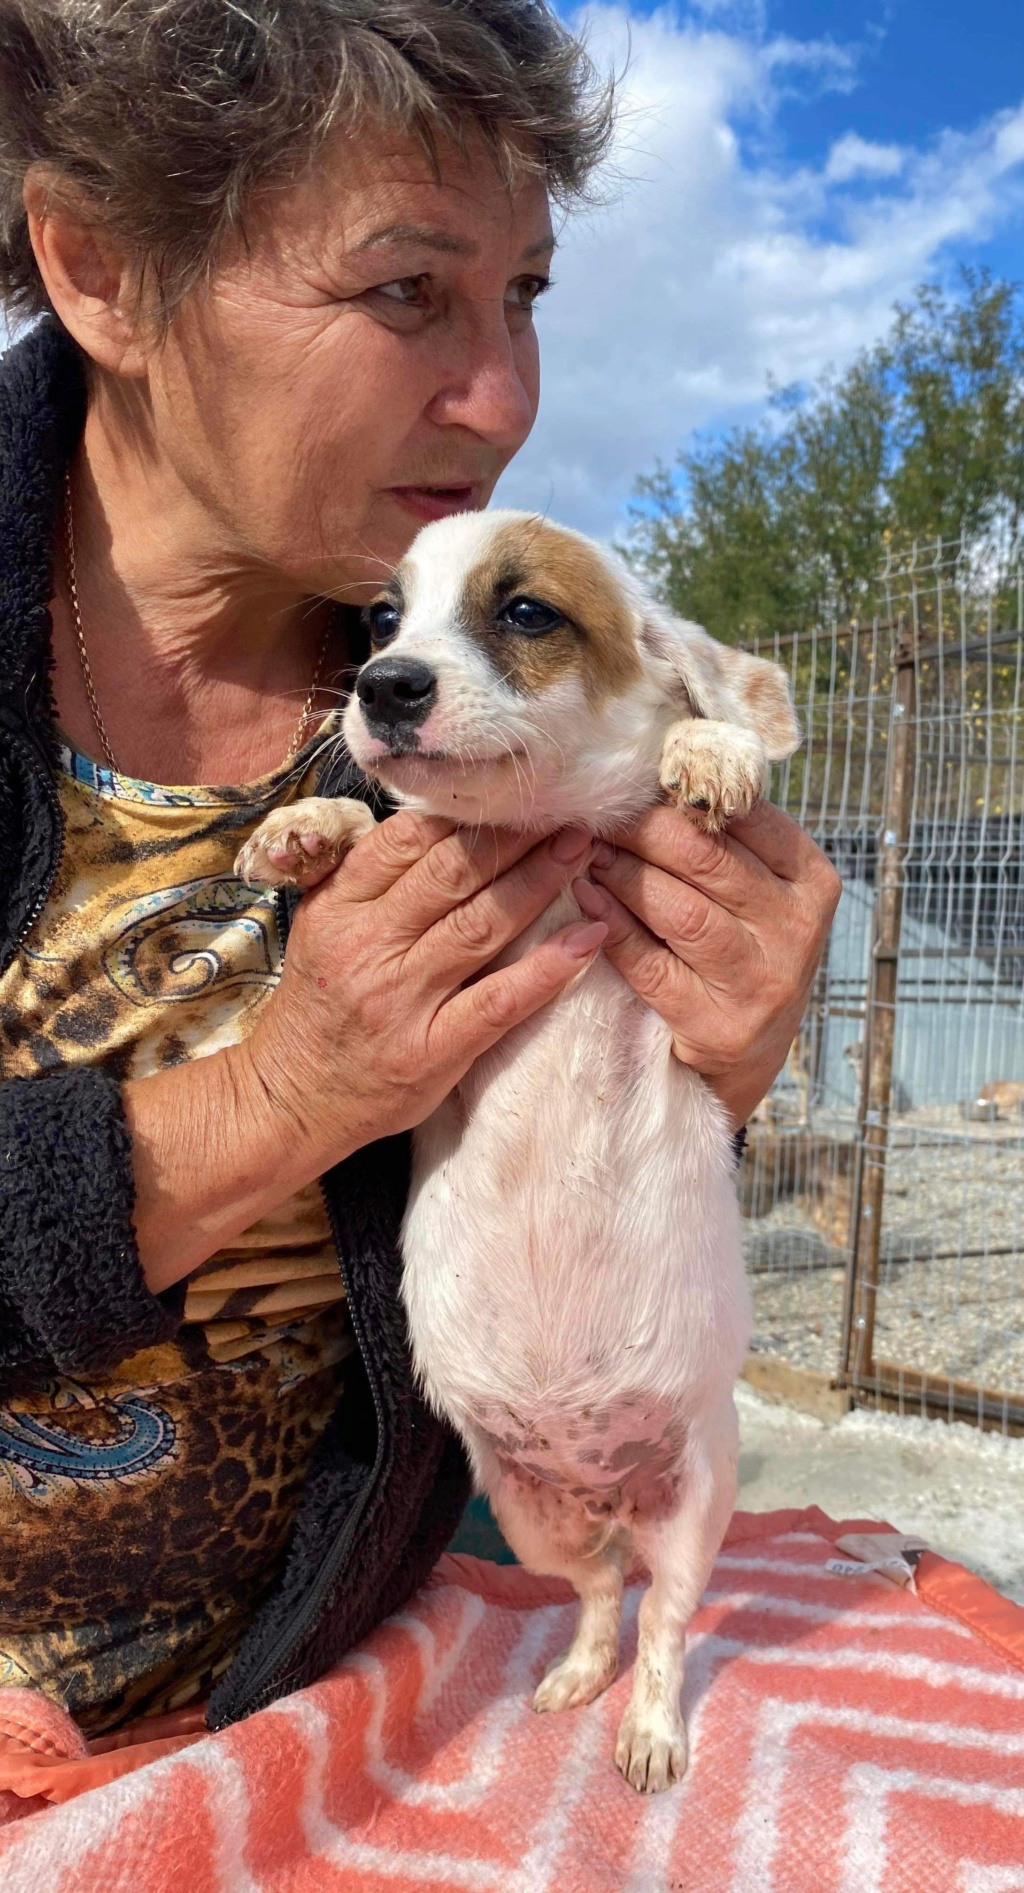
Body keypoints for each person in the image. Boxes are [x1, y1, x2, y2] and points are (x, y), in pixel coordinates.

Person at [0, 0, 840, 1736]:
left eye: (526, 292)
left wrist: (702, 1068)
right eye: (407, 291)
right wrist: (277, 1096)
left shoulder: (476, 683)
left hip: (342, 1688)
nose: (507, 397)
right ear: (99, 269)